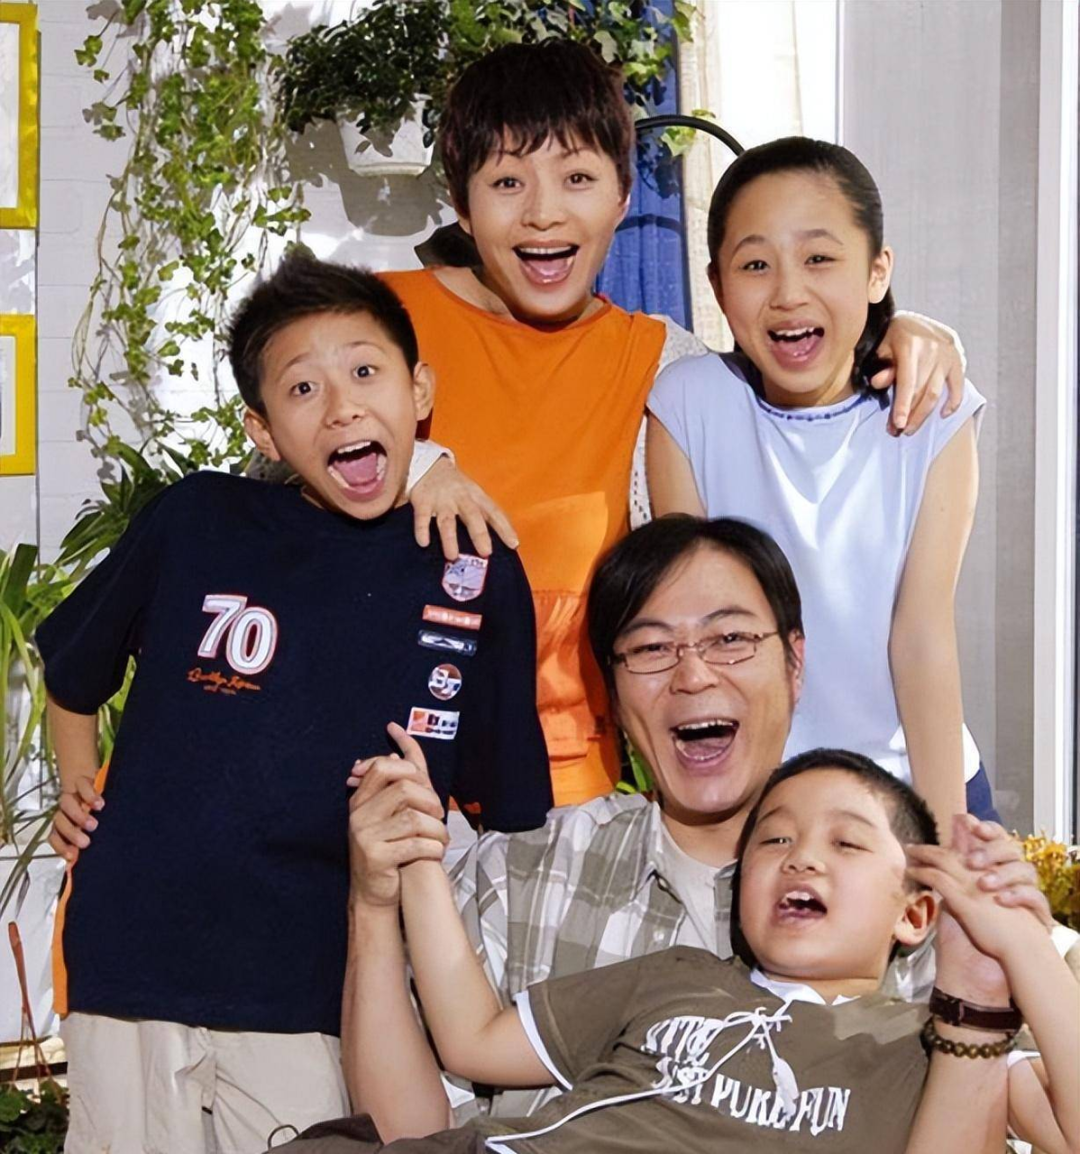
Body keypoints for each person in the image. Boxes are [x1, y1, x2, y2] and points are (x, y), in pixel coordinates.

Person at [37, 253, 551, 1154]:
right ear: (264, 430)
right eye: (303, 388)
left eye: (365, 371)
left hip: (318, 988)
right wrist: (77, 785)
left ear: (420, 392)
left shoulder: (473, 566)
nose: (342, 406)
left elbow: (504, 807)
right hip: (130, 959)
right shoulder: (197, 520)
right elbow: (71, 676)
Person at [338, 517, 1056, 1138]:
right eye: (651, 649)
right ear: (610, 689)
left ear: (795, 662)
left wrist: (1020, 949)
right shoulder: (521, 874)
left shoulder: (913, 904)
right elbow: (410, 1131)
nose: (692, 677)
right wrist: (375, 902)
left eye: (730, 639)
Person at [396, 40, 971, 807]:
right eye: (507, 182)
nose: (543, 211)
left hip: (567, 792)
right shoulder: (381, 323)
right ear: (462, 204)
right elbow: (296, 427)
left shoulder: (662, 363)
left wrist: (908, 331)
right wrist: (418, 465)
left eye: (577, 178)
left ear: (622, 195)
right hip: (386, 771)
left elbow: (788, 356)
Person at [281, 748, 1078, 1154]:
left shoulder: (932, 1048)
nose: (802, 858)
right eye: (774, 840)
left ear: (916, 913)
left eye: (846, 843)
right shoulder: (680, 977)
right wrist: (418, 856)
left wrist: (1023, 946)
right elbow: (469, 1039)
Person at [647, 137, 988, 832]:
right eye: (755, 265)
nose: (788, 293)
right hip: (760, 808)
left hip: (915, 787)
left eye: (819, 259)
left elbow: (921, 634)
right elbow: (698, 638)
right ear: (717, 285)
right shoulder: (688, 404)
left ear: (877, 271)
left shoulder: (932, 410)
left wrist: (944, 845)